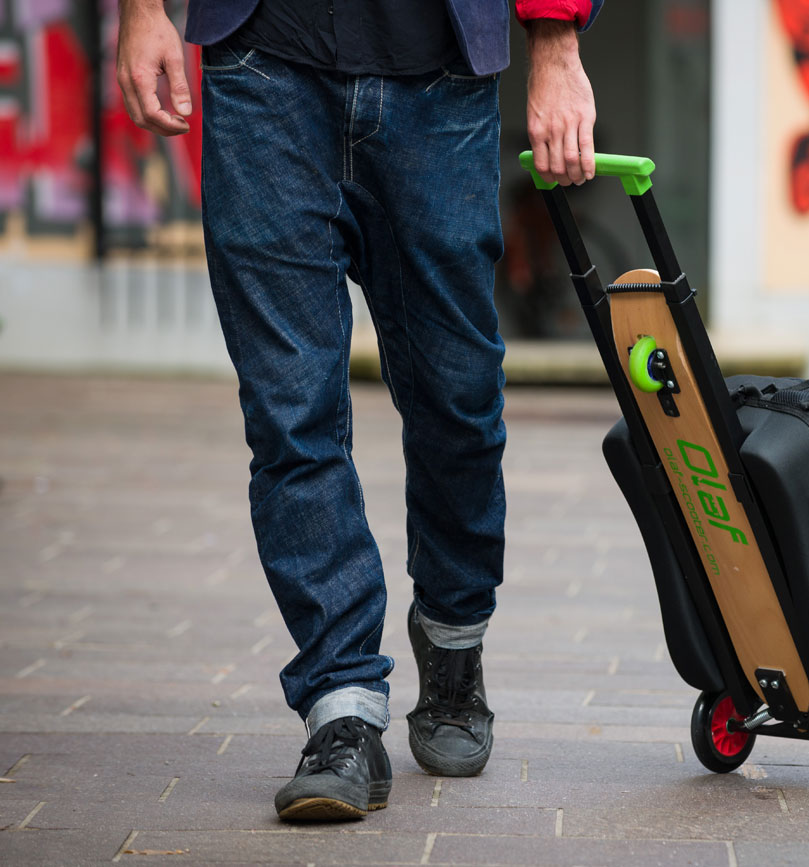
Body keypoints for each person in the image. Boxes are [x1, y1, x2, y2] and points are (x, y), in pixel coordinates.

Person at [116, 0, 601, 822]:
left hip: (439, 74)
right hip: (262, 63)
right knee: (289, 411)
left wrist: (555, 41)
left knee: (460, 397)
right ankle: (341, 707)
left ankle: (452, 632)